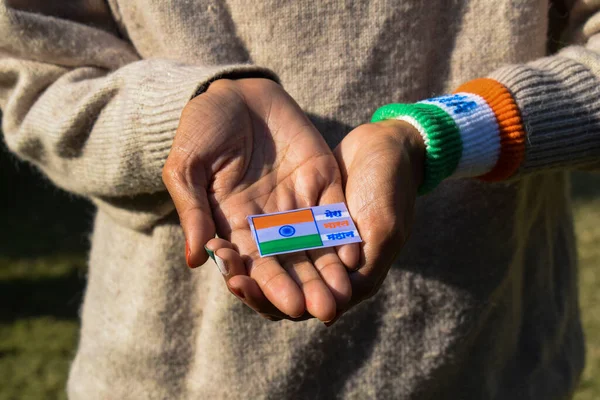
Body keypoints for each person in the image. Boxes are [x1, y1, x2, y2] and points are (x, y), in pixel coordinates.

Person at [0, 0, 598, 399]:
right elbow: (33, 70)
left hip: (492, 365)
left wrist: (437, 135)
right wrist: (176, 113)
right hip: (172, 375)